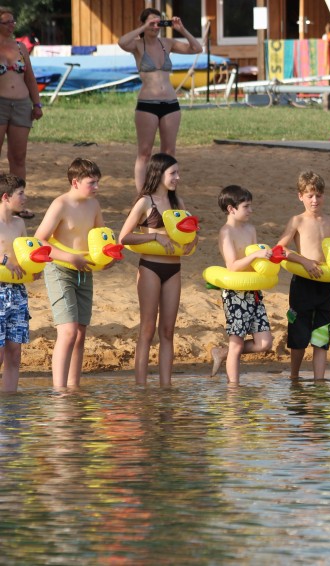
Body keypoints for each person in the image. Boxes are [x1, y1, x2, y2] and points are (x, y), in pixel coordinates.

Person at [35, 158, 114, 389]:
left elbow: (101, 239)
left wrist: (107, 258)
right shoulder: (60, 204)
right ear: (75, 182)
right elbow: (39, 241)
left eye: (98, 182)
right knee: (68, 331)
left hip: (84, 270)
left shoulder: (94, 205)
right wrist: (70, 257)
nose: (96, 187)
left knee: (80, 333)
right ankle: (59, 391)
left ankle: (73, 388)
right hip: (59, 270)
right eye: (92, 183)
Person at [118, 153, 196, 387]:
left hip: (174, 269)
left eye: (178, 173)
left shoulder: (178, 203)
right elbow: (124, 237)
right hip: (150, 268)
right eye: (173, 173)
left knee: (168, 331)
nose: (177, 177)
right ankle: (141, 387)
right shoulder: (145, 202)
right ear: (159, 173)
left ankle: (166, 388)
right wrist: (154, 237)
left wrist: (193, 240)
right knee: (147, 329)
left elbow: (190, 234)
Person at [276, 171, 330, 381]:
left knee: (322, 337)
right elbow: (280, 249)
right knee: (299, 335)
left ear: (323, 196)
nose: (314, 200)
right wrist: (304, 261)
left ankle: (319, 382)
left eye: (318, 195)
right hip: (302, 284)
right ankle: (294, 377)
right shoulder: (297, 221)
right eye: (309, 195)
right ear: (300, 196)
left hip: (325, 286)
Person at [118, 8, 202, 192]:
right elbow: (121, 42)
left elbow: (197, 48)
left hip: (171, 104)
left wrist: (181, 29)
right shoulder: (137, 45)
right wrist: (143, 28)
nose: (156, 27)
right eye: (152, 23)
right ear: (143, 24)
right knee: (145, 152)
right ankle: (142, 195)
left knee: (169, 152)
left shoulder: (167, 43)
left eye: (158, 23)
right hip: (147, 104)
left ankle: (166, 191)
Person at [209, 185, 273, 386]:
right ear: (231, 209)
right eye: (246, 206)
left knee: (265, 343)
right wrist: (255, 255)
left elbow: (256, 264)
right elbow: (232, 266)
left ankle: (222, 352)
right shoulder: (226, 232)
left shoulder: (251, 229)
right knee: (236, 345)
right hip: (235, 294)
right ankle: (233, 390)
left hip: (253, 292)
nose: (250, 211)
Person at [0, 7, 43, 219]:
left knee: (18, 156)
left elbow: (30, 77)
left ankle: (17, 203)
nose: (12, 25)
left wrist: (37, 104)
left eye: (13, 21)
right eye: (6, 22)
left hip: (22, 105)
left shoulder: (20, 47)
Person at [0, 174, 33, 392]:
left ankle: (10, 403)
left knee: (14, 352)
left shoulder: (19, 223)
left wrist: (33, 270)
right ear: (6, 197)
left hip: (18, 292)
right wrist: (4, 260)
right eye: (20, 193)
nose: (25, 198)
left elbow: (25, 256)